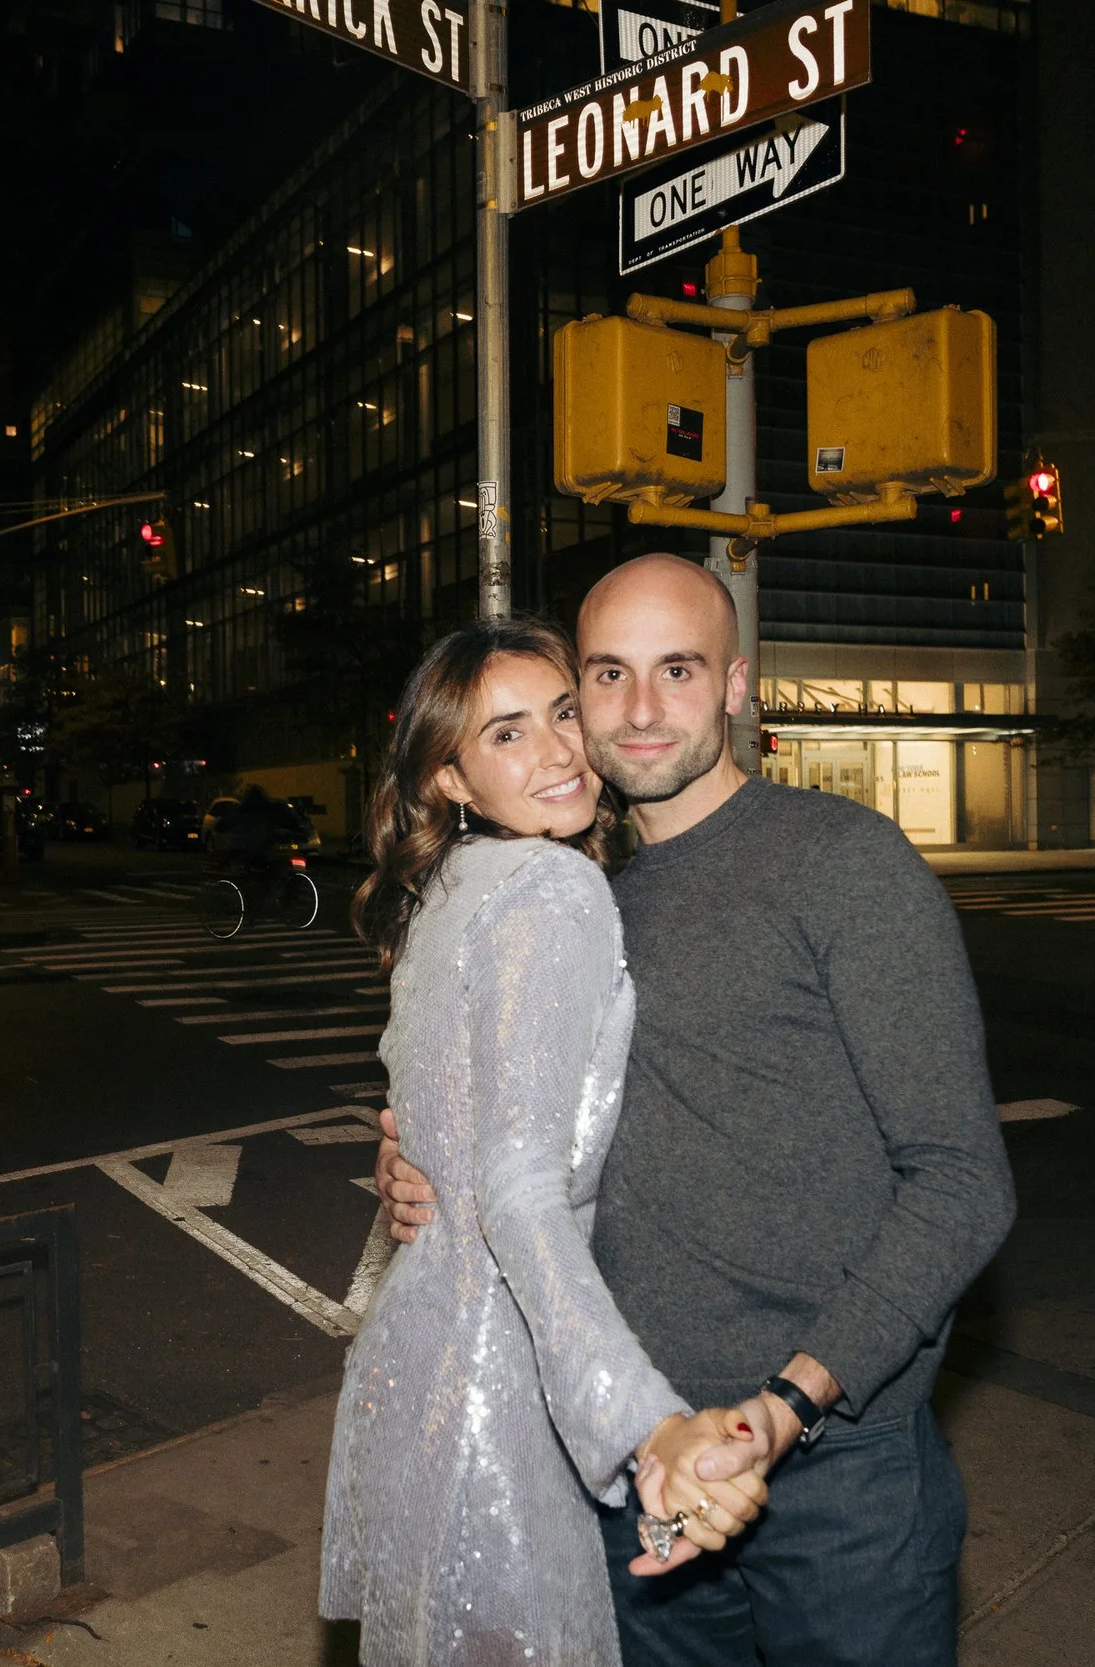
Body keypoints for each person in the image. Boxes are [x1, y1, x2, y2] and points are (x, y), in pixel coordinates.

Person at [379, 555, 1017, 1665]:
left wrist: (790, 1401)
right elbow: (539, 1141)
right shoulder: (575, 900)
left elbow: (962, 1180)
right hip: (641, 1460)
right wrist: (426, 1173)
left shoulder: (842, 863)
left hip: (836, 1475)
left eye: (675, 669)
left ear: (733, 684)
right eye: (606, 676)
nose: (636, 710)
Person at [320, 617, 772, 1667]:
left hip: (415, 1352)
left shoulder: (443, 897)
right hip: (502, 1371)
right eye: (508, 734)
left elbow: (446, 1125)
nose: (562, 750)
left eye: (563, 712)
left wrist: (409, 1165)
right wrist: (643, 1422)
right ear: (452, 781)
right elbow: (520, 1182)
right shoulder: (551, 889)